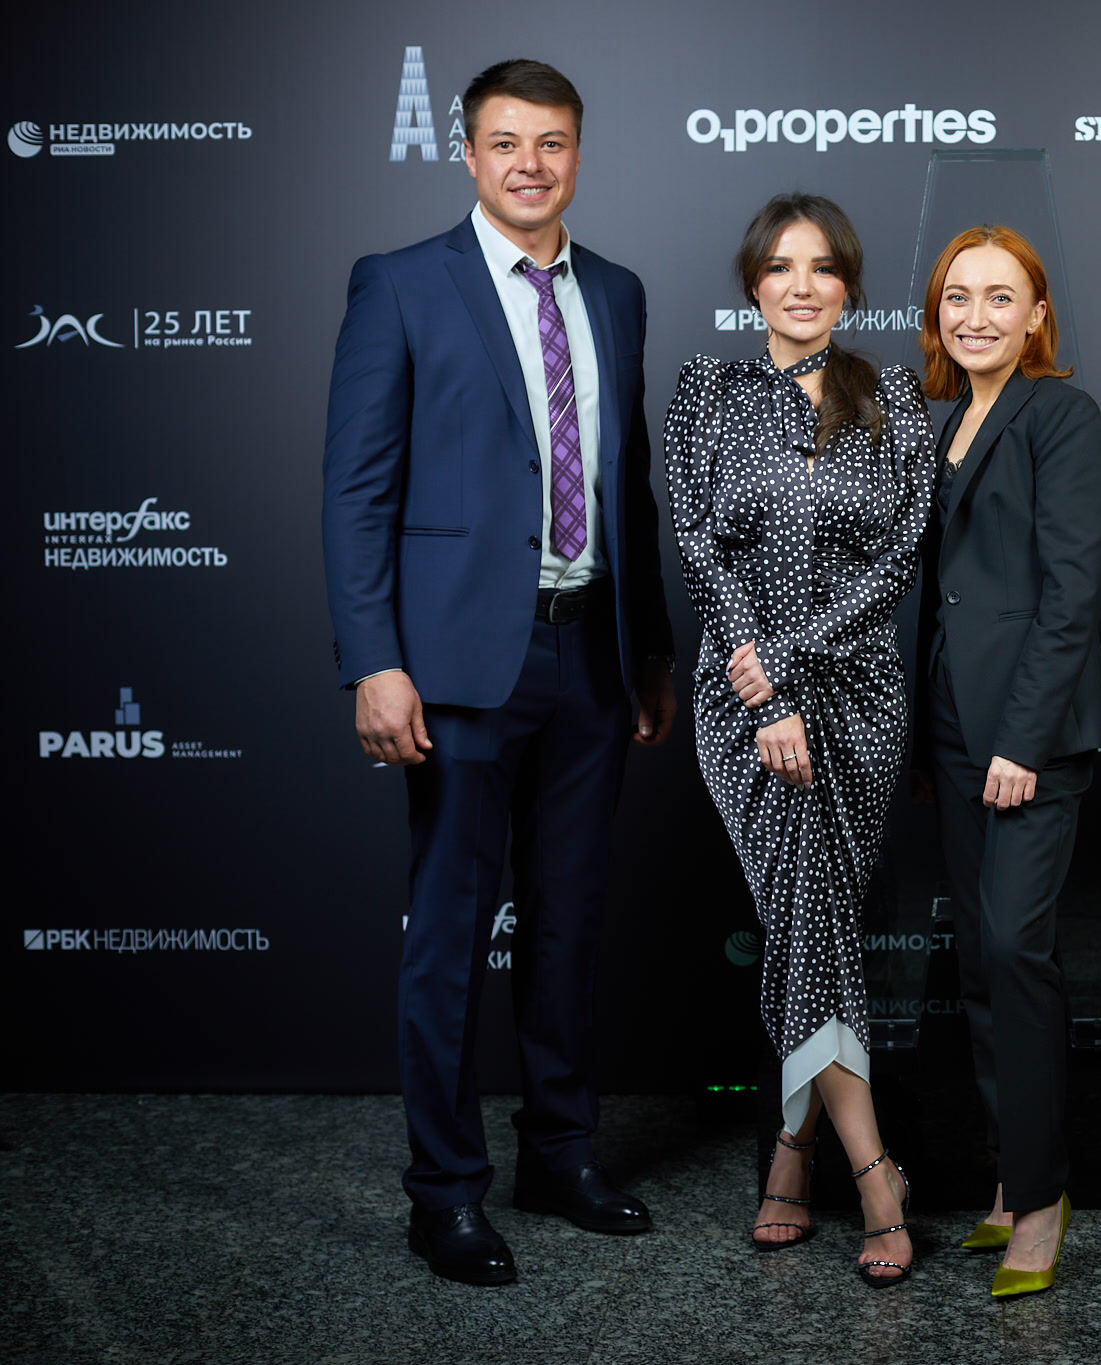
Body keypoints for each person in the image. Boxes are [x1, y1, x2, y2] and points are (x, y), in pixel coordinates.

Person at [322, 59, 675, 1287]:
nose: (531, 164)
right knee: (450, 933)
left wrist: (649, 649)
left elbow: (625, 484)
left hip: (591, 653)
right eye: (507, 142)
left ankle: (560, 1156)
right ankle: (445, 1192)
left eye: (552, 142)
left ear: (578, 153)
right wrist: (375, 659)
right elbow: (355, 489)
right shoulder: (400, 283)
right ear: (467, 154)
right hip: (459, 663)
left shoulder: (616, 291)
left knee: (570, 922)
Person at [665, 193, 935, 1286]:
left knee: (812, 919)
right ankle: (874, 1174)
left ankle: (790, 1145)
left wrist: (792, 655)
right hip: (741, 702)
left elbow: (901, 552)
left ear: (848, 285)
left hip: (858, 695)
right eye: (780, 267)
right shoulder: (707, 389)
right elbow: (697, 540)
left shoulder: (891, 397)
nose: (802, 285)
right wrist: (763, 684)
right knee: (806, 909)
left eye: (822, 267)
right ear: (753, 284)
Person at [912, 226, 1101, 1298]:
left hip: (1024, 735)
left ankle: (1040, 1198)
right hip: (951, 724)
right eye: (958, 297)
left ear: (1037, 315)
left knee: (1015, 949)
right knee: (981, 963)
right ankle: (1006, 1176)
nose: (976, 315)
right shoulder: (947, 419)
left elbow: (1074, 590)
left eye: (1001, 297)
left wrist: (1021, 739)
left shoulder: (1060, 416)